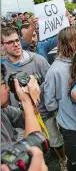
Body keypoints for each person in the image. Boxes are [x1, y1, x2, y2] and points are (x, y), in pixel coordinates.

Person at [1, 27, 67, 170]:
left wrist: (36, 90)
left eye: (17, 40)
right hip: (19, 118)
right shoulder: (2, 68)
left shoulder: (37, 59)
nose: (16, 44)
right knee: (29, 148)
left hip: (42, 112)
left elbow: (50, 82)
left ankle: (63, 159)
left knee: (55, 141)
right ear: (3, 46)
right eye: (10, 42)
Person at [44, 26, 76, 171]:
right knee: (75, 161)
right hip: (72, 127)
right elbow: (50, 103)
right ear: (71, 42)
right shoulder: (55, 70)